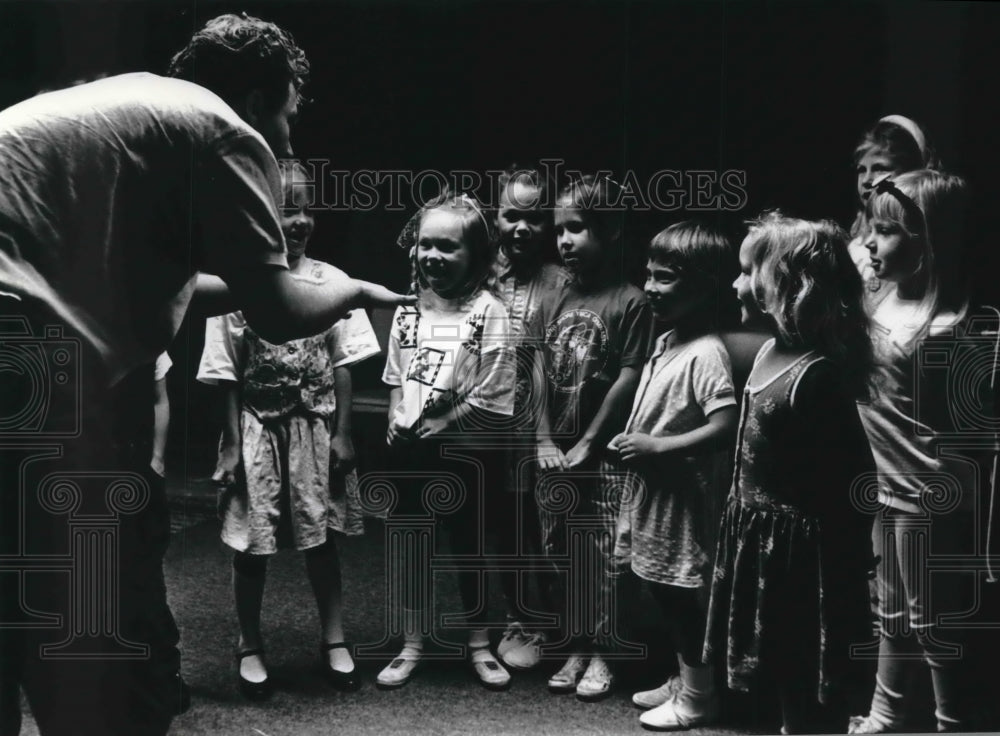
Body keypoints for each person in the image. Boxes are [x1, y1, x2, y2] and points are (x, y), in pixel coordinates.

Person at [0, 13, 410, 735]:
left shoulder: (136, 106)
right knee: (99, 615)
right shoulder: (225, 131)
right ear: (259, 97)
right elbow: (279, 310)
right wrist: (352, 291)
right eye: (287, 113)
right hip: (25, 357)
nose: (286, 136)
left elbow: (195, 285)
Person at [197, 162, 380, 700]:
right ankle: (249, 641)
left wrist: (344, 433)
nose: (298, 221)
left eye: (306, 208)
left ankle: (334, 637)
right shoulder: (234, 284)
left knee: (321, 539)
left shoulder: (333, 282)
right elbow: (224, 371)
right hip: (258, 429)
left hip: (315, 426)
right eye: (285, 209)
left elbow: (343, 360)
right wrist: (231, 445)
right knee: (253, 545)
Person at [702, 213, 876, 734]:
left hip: (802, 556)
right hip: (758, 540)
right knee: (773, 666)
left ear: (784, 284)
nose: (735, 283)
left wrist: (842, 562)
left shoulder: (816, 375)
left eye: (746, 272)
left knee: (803, 671)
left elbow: (852, 476)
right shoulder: (765, 353)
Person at [850, 170, 994, 733]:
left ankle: (950, 721)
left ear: (928, 240)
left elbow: (965, 430)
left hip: (925, 493)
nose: (869, 242)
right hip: (886, 486)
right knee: (889, 611)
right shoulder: (883, 303)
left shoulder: (948, 327)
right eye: (871, 228)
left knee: (930, 620)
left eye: (885, 231)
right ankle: (887, 713)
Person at [376, 192, 516, 691]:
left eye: (447, 248)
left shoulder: (487, 312)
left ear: (475, 256)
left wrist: (447, 422)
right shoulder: (408, 309)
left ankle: (479, 642)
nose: (432, 256)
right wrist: (396, 411)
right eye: (424, 245)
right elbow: (396, 375)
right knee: (412, 545)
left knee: (469, 547)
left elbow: (496, 392)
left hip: (466, 453)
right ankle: (413, 641)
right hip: (411, 450)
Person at [606, 222, 739, 730]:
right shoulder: (667, 340)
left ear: (705, 285)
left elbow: (724, 425)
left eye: (665, 279)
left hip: (679, 500)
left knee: (682, 597)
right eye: (648, 276)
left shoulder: (707, 352)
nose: (651, 288)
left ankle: (700, 696)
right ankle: (682, 676)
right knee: (660, 589)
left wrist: (658, 445)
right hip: (650, 492)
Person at [531, 175, 652, 701]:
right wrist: (541, 438)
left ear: (612, 229)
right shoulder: (553, 294)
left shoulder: (632, 301)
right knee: (561, 551)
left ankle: (603, 649)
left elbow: (629, 377)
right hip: (553, 451)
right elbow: (534, 364)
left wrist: (589, 444)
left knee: (601, 556)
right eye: (559, 230)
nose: (564, 240)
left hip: (601, 459)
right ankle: (577, 643)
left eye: (577, 228)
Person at [491, 166, 568, 672]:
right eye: (510, 216)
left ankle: (555, 621)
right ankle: (520, 615)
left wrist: (544, 436)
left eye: (535, 219)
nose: (521, 228)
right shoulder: (481, 270)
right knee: (501, 524)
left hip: (540, 424)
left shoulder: (561, 282)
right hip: (489, 420)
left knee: (544, 528)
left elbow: (547, 357)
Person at [848, 115, 939, 310]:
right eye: (861, 170)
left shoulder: (917, 245)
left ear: (910, 173)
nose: (867, 180)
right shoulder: (857, 244)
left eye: (880, 168)